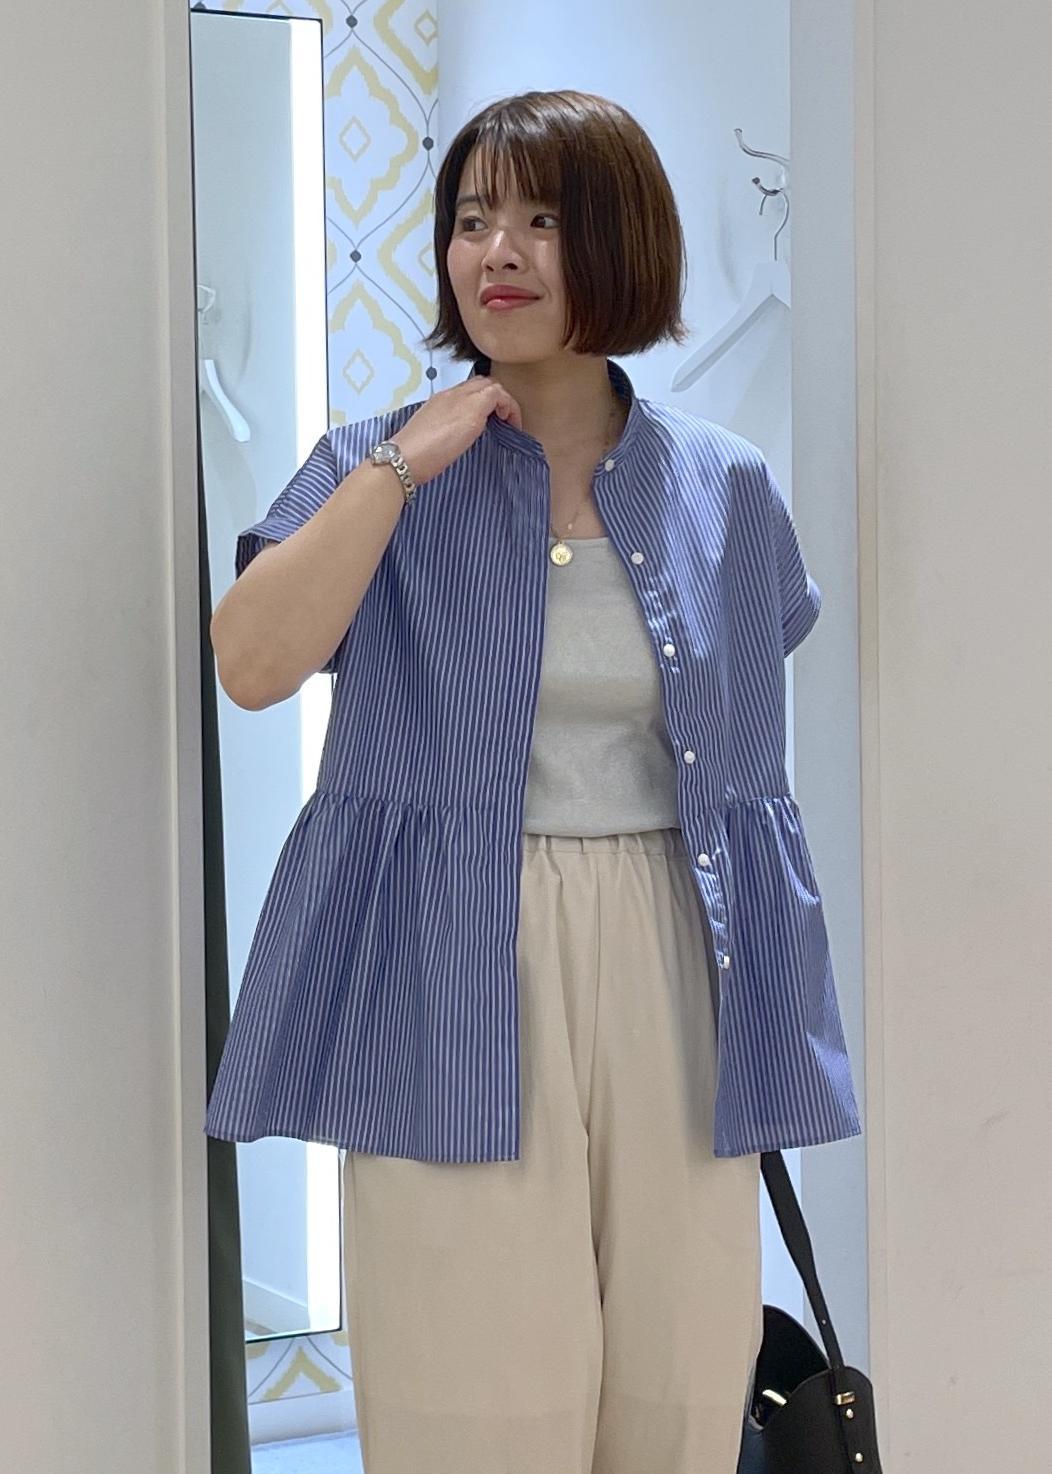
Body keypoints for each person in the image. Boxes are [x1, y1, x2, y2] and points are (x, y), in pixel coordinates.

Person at [205, 89, 862, 1474]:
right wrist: (405, 462)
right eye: (471, 218)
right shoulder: (371, 465)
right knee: (473, 1387)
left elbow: (750, 788)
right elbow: (253, 662)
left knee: (678, 1388)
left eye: (544, 218)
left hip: (674, 955)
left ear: (622, 242)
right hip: (449, 955)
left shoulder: (724, 486)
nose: (495, 250)